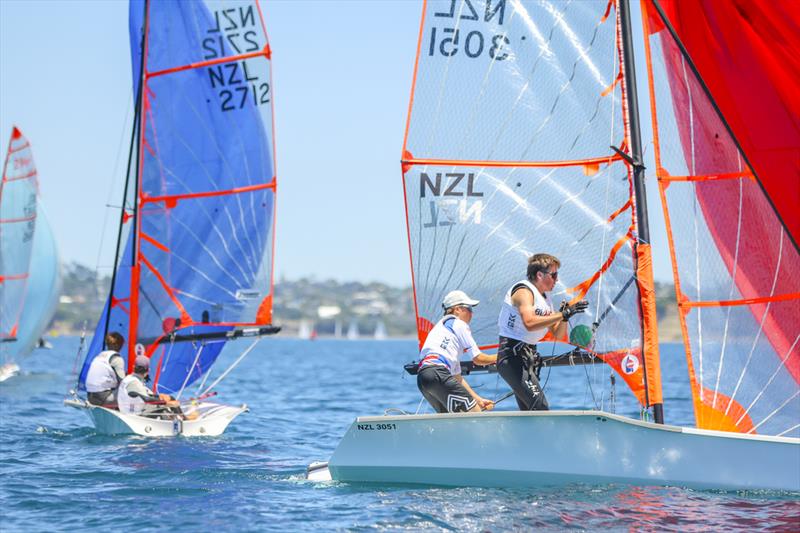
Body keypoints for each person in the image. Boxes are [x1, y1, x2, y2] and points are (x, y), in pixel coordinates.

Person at [496, 254, 588, 410]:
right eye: (554, 275)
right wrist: (562, 314)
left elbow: (558, 335)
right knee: (540, 407)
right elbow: (530, 323)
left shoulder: (546, 298)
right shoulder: (524, 292)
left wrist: (565, 317)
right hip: (511, 358)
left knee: (530, 412)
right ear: (540, 275)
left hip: (527, 358)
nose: (557, 280)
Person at [417, 290, 497, 413]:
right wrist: (504, 356)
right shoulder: (459, 324)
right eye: (469, 308)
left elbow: (457, 377)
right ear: (457, 309)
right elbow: (478, 359)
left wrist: (478, 400)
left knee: (450, 420)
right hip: (438, 374)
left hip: (423, 378)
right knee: (476, 416)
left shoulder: (439, 328)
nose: (472, 313)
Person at [85, 332, 126, 406]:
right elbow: (124, 382)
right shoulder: (117, 359)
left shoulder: (99, 356)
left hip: (90, 397)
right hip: (104, 399)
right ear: (118, 345)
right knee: (130, 389)